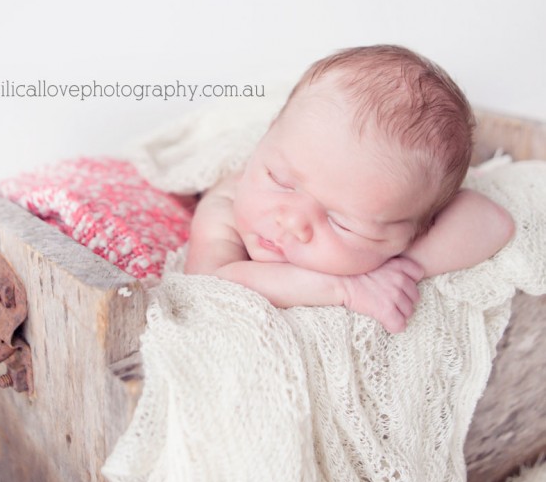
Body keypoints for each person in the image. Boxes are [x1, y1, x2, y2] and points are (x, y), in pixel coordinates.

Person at [184, 45, 515, 333]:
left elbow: (492, 221)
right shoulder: (225, 208)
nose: (292, 222)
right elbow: (209, 282)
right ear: (266, 138)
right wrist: (345, 286)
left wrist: (403, 266)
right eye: (280, 181)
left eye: (341, 223)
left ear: (409, 234)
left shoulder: (392, 213)